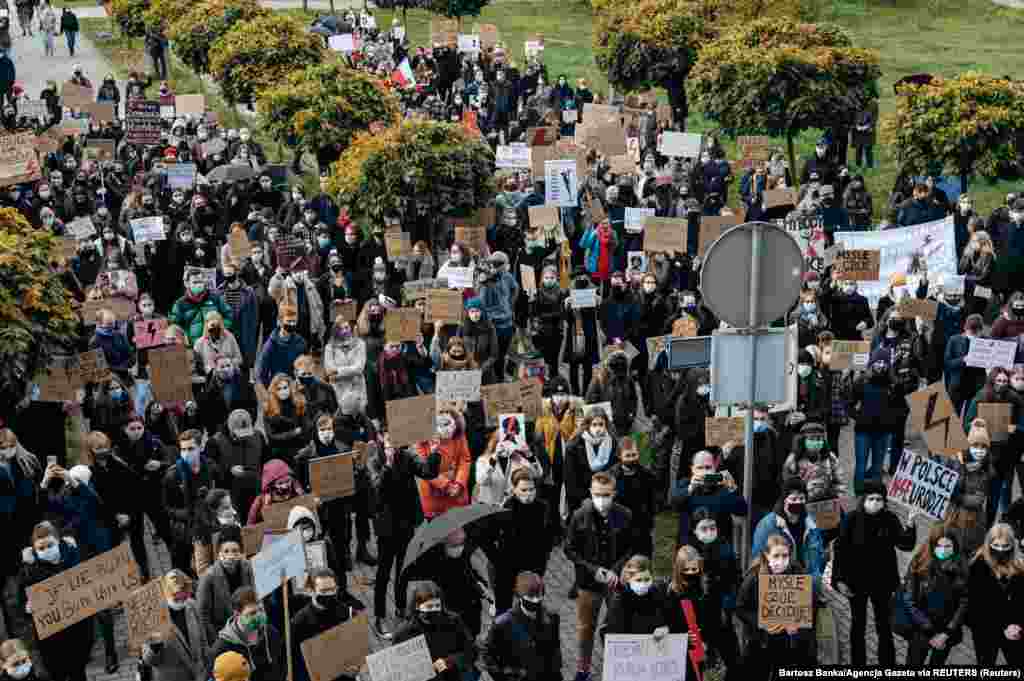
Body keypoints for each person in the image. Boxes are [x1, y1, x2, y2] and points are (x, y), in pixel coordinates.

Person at [832, 479, 917, 667]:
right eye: (871, 498)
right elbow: (840, 550)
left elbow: (905, 544)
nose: (875, 503)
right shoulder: (851, 519)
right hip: (856, 583)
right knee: (857, 626)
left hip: (882, 583)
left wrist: (910, 524)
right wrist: (839, 579)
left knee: (884, 627)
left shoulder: (890, 519)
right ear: (863, 499)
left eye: (879, 499)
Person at [367, 434, 441, 639]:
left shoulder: (408, 456)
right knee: (383, 572)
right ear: (382, 441)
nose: (393, 448)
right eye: (389, 443)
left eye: (395, 444)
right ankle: (379, 615)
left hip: (406, 522)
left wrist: (434, 453)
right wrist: (388, 466)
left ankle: (400, 607)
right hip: (386, 526)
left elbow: (428, 472)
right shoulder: (375, 460)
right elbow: (376, 489)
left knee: (403, 569)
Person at [564, 471, 634, 681]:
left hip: (615, 582)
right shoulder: (579, 516)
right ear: (590, 493)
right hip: (588, 583)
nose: (601, 500)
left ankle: (619, 665)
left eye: (606, 495)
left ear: (614, 493)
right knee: (586, 628)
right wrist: (594, 570)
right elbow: (569, 549)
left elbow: (631, 547)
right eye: (597, 494)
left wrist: (616, 570)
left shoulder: (625, 515)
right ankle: (584, 667)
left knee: (619, 625)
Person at [19, 522, 95, 681]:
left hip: (78, 633)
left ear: (58, 541)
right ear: (34, 549)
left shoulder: (73, 557)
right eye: (41, 548)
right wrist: (27, 608)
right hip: (52, 642)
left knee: (78, 674)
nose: (46, 550)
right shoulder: (29, 571)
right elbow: (22, 602)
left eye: (50, 545)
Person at [735, 535, 817, 677]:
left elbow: (809, 604)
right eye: (776, 556)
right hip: (761, 642)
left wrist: (798, 624)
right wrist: (762, 622)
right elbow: (740, 608)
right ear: (767, 555)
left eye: (785, 556)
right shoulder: (754, 577)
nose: (781, 560)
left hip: (788, 644)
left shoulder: (797, 572)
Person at [902, 525, 969, 667]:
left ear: (955, 546)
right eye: (939, 545)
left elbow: (964, 601)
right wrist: (930, 632)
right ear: (932, 544)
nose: (943, 550)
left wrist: (946, 633)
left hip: (947, 630)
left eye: (948, 546)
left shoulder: (961, 565)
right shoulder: (920, 562)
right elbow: (909, 600)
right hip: (921, 628)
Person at [481, 572, 562, 681]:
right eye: (530, 597)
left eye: (539, 597)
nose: (536, 601)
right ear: (519, 595)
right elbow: (487, 656)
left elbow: (554, 649)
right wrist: (507, 675)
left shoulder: (552, 617)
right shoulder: (502, 624)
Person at [290, 568, 365, 681]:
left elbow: (357, 652)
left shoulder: (348, 614)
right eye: (324, 591)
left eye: (332, 590)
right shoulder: (299, 622)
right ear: (311, 591)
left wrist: (356, 667)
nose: (329, 594)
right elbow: (296, 662)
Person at [751, 479, 827, 590]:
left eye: (801, 499)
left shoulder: (812, 525)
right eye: (793, 499)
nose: (798, 502)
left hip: (808, 590)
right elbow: (758, 560)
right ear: (784, 501)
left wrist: (816, 582)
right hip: (779, 589)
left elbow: (818, 558)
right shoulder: (767, 525)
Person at [392, 582, 477, 681]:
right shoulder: (402, 633)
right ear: (415, 607)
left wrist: (451, 660)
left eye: (434, 612)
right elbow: (395, 667)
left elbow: (472, 652)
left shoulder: (454, 623)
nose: (430, 616)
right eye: (426, 612)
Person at [142, 569, 212, 681]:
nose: (181, 600)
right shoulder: (153, 617)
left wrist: (207, 664)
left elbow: (203, 639)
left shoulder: (192, 605)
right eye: (175, 596)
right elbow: (148, 660)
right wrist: (155, 647)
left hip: (199, 675)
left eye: (184, 596)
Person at [671, 450, 747, 547]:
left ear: (714, 468)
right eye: (699, 468)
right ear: (692, 469)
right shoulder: (685, 484)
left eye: (708, 467)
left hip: (719, 549)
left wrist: (731, 485)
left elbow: (742, 510)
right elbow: (673, 504)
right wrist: (690, 489)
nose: (704, 472)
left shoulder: (723, 486)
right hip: (691, 549)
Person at [209, 587, 286, 681]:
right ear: (237, 615)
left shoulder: (270, 632)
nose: (259, 616)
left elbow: (281, 663)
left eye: (261, 610)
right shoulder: (222, 648)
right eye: (252, 613)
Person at [197, 526, 255, 642]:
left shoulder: (248, 568)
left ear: (241, 553)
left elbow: (256, 597)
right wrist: (217, 640)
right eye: (226, 551)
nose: (230, 556)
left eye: (235, 551)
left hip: (247, 628)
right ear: (219, 553)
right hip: (222, 633)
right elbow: (203, 614)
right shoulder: (209, 577)